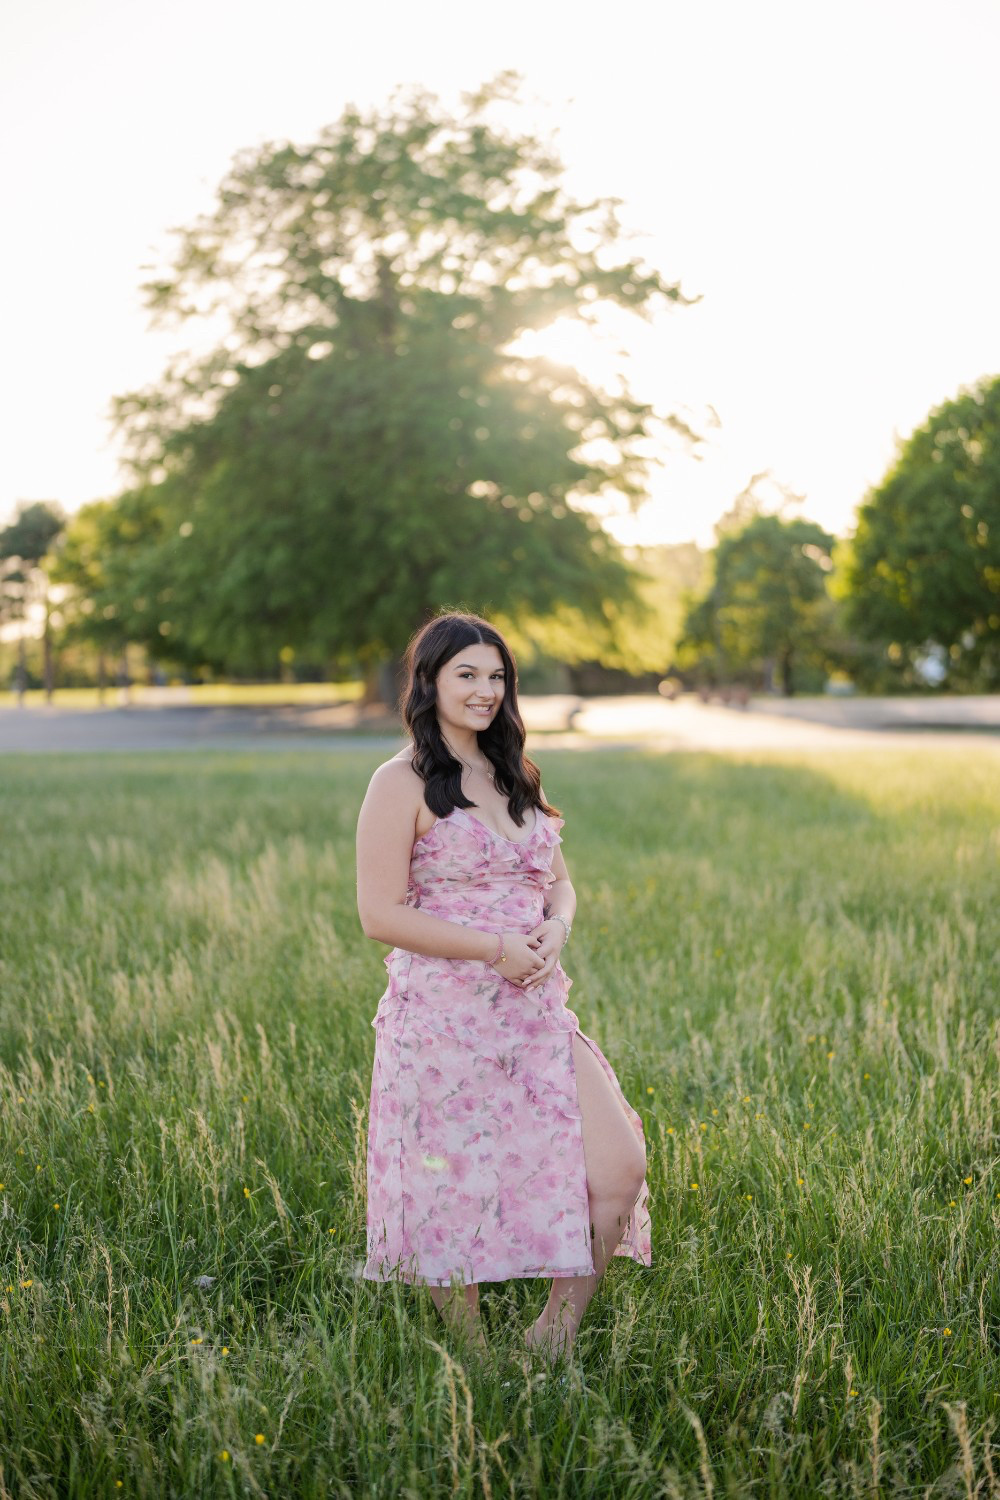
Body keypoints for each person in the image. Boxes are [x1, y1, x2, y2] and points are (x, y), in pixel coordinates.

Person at [356, 612, 651, 1362]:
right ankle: (475, 1360)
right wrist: (493, 949)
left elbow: (560, 884)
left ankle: (553, 1334)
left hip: (534, 1012)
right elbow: (379, 915)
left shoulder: (514, 772)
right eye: (468, 674)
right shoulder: (400, 782)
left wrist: (557, 927)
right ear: (429, 681)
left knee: (619, 1168)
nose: (486, 690)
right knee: (452, 1192)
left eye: (497, 676)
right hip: (441, 1019)